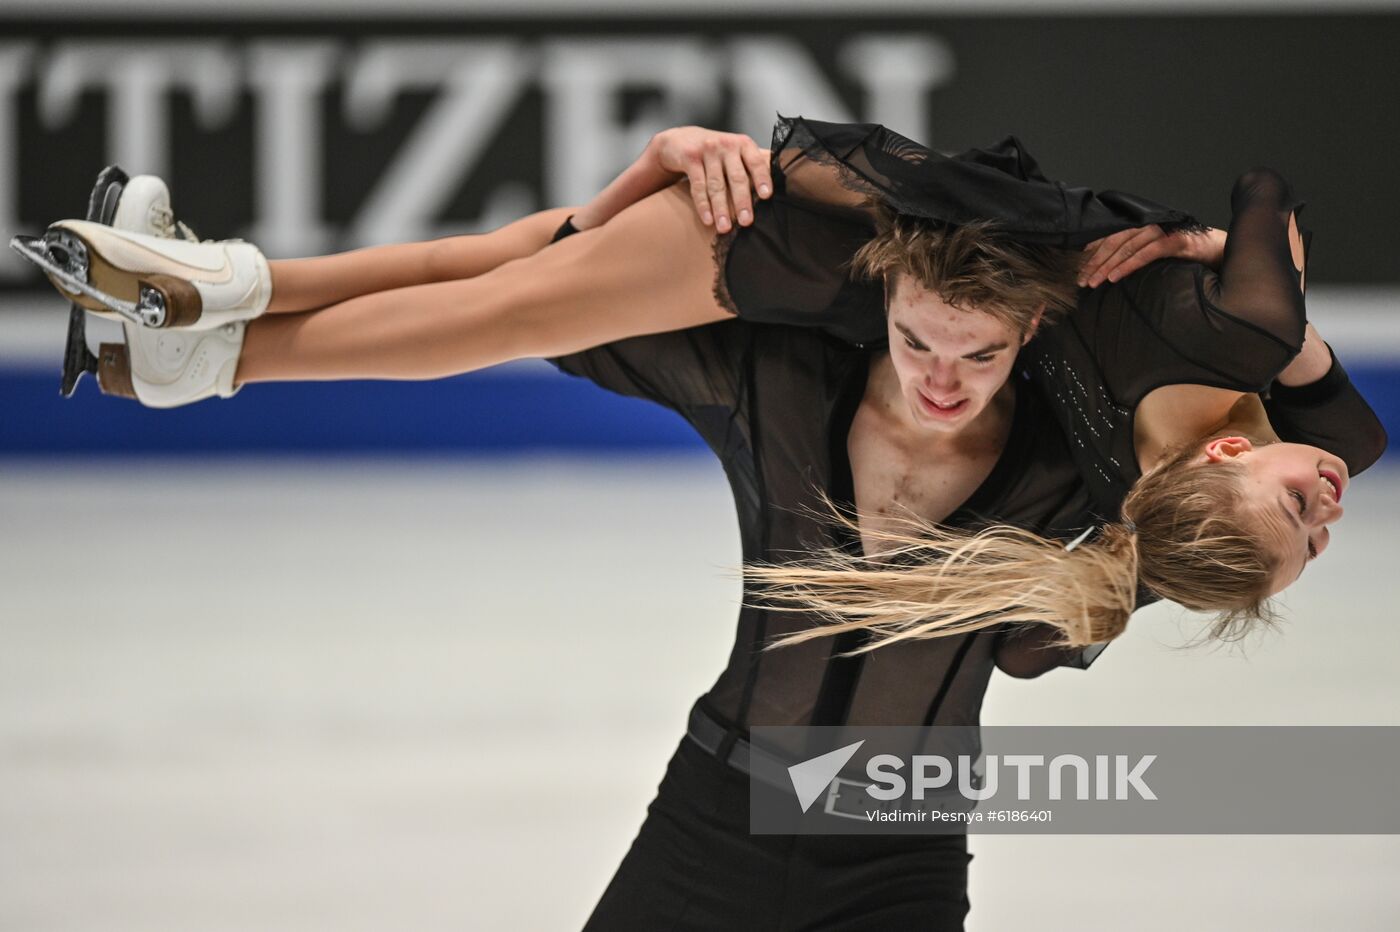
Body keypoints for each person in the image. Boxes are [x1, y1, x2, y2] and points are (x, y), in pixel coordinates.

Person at [12, 119, 1385, 929]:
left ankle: (203, 313)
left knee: (517, 286)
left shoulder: (1076, 507)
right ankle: (208, 314)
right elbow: (528, 292)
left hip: (898, 836)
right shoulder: (778, 371)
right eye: (924, 344)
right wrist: (655, 173)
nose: (945, 379)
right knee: (507, 292)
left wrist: (1151, 550)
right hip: (718, 813)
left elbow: (1053, 633)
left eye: (976, 355)